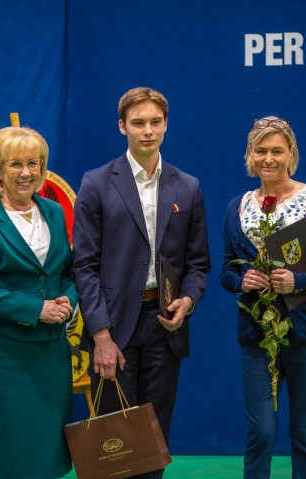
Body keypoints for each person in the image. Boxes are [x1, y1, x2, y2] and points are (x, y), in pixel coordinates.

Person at [72, 86, 211, 478]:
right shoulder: (97, 183)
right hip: (113, 326)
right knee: (116, 444)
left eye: (155, 122)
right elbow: (84, 266)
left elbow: (199, 264)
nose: (147, 131)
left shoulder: (188, 186)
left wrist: (188, 300)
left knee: (154, 439)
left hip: (165, 325)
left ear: (166, 125)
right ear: (122, 127)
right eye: (138, 123)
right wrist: (100, 335)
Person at [220, 117, 306, 479]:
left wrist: (300, 281)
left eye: (277, 151)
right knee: (261, 432)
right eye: (261, 150)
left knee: (305, 433)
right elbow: (226, 271)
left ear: (291, 153)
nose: (269, 158)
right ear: (250, 154)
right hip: (256, 335)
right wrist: (241, 281)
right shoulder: (236, 207)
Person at [0, 126, 78, 479]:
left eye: (34, 163)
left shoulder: (54, 212)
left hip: (49, 353)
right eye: (16, 164)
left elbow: (67, 273)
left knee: (45, 450)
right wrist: (37, 309)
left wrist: (68, 300)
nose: (26, 172)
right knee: (4, 453)